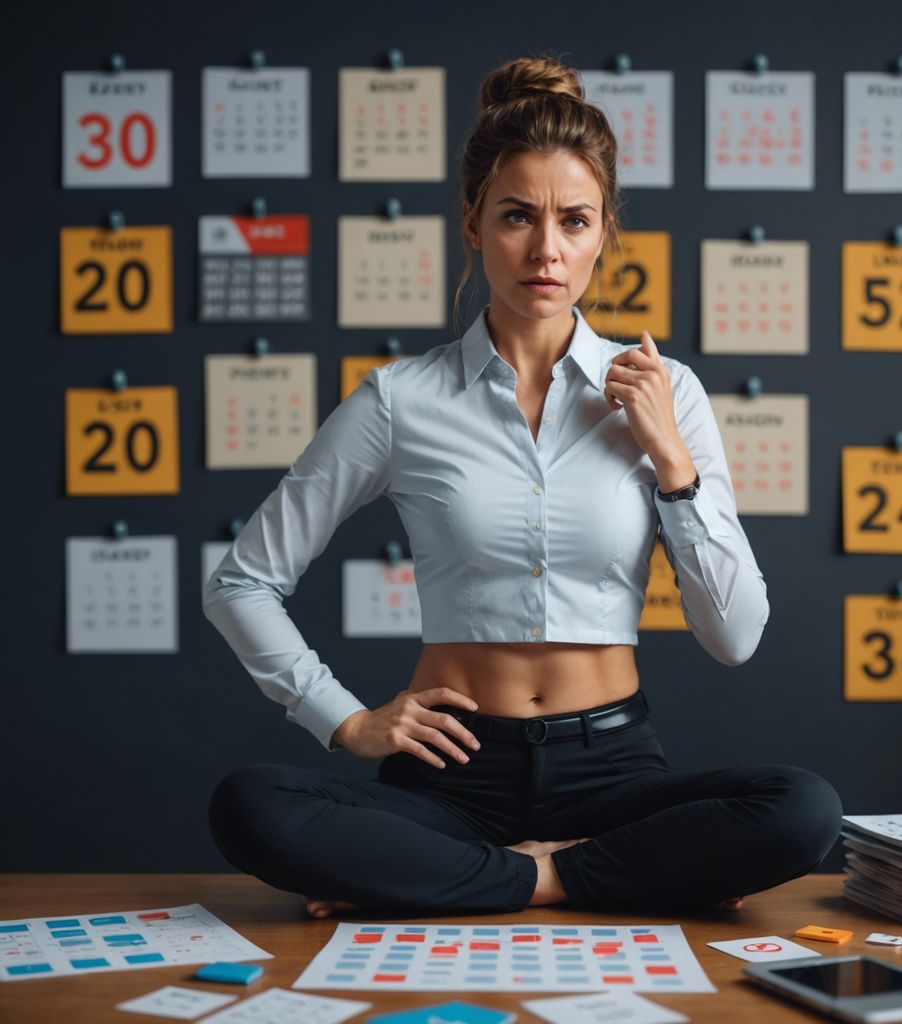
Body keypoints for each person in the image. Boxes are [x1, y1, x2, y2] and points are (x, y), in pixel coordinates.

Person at [204, 54, 842, 917]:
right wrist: (345, 721)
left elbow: (735, 637)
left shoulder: (669, 392)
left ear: (603, 232)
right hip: (447, 776)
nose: (546, 249)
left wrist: (672, 463)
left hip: (612, 771)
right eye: (517, 217)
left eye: (574, 221)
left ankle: (477, 879)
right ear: (473, 223)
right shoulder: (400, 399)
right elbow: (242, 580)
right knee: (250, 806)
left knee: (804, 810)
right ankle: (558, 876)